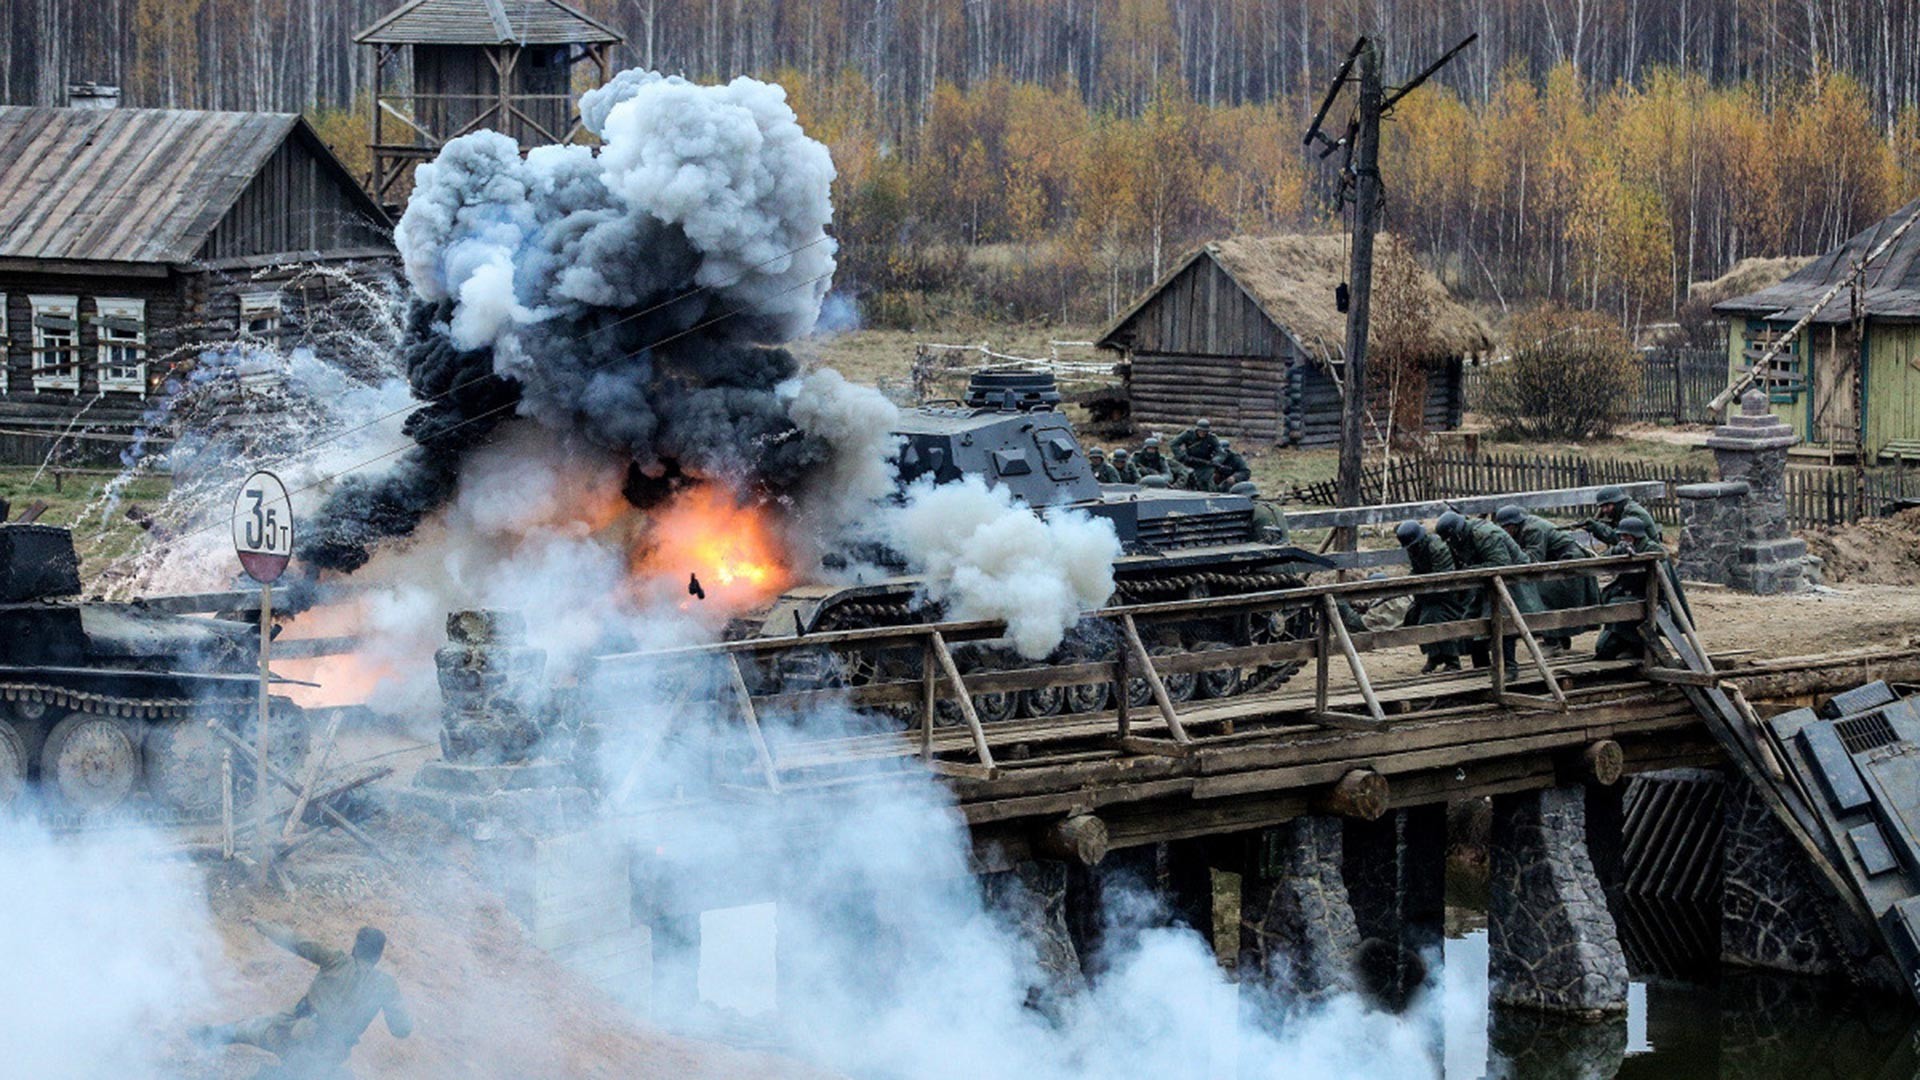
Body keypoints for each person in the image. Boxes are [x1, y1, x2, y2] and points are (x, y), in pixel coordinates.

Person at [196, 922, 412, 1079]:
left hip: (295, 1037)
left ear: (356, 947)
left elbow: (298, 942)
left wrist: (262, 925)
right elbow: (401, 1030)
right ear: (378, 955)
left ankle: (208, 1036)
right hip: (331, 1055)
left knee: (252, 1029)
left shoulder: (336, 961)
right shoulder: (386, 985)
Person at [1437, 510, 1544, 669]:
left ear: (1457, 534)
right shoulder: (1459, 540)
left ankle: (1509, 668)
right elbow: (1460, 565)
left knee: (1502, 622)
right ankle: (1481, 668)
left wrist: (1470, 571)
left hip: (1513, 581)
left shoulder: (1485, 534)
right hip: (1488, 583)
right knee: (1471, 622)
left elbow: (1501, 564)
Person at [1495, 504, 1599, 654]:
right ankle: (1560, 639)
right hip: (1558, 563)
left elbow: (1534, 559)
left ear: (1512, 525)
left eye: (1506, 528)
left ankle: (1553, 641)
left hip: (1569, 563)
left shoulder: (1532, 529)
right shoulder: (1526, 526)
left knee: (1541, 596)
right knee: (1552, 598)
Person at [1594, 516, 1673, 660]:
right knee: (1601, 648)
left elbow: (1659, 581)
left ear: (1635, 536)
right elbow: (1603, 558)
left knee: (1616, 609)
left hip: (1649, 597)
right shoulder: (1623, 546)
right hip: (1629, 596)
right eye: (1621, 536)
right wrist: (1618, 550)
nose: (1623, 538)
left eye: (1626, 536)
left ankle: (1636, 646)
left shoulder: (1651, 548)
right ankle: (1629, 643)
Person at [1396, 520, 1466, 673]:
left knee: (1434, 617)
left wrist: (1422, 587)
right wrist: (1406, 582)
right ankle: (1433, 655)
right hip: (1427, 592)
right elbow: (1417, 570)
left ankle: (1452, 660)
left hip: (1450, 592)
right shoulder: (1413, 548)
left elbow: (1444, 577)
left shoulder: (1437, 547)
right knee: (1414, 617)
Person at [1580, 485, 1663, 545]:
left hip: (1652, 557)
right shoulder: (1622, 512)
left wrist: (1597, 528)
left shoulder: (1633, 512)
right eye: (1602, 507)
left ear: (1617, 502)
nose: (1604, 510)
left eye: (1607, 506)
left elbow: (1621, 538)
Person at [1171, 419, 1221, 490]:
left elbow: (1220, 451)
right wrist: (1181, 456)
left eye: (1205, 431)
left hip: (1204, 464)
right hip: (1188, 461)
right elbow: (1173, 444)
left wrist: (1216, 460)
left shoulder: (1212, 438)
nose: (1203, 433)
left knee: (1209, 480)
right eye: (1201, 431)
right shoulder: (1189, 434)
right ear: (1197, 429)